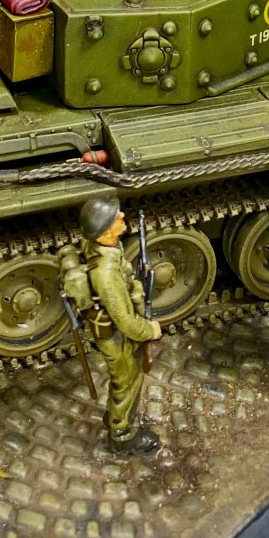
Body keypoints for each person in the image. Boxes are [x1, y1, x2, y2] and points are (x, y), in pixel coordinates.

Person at [63, 192, 163, 455]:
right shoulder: (105, 273)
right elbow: (126, 322)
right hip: (117, 336)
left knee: (123, 379)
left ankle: (115, 417)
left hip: (113, 330)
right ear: (105, 232)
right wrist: (150, 330)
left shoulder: (104, 246)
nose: (121, 216)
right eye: (115, 217)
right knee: (127, 380)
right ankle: (122, 435)